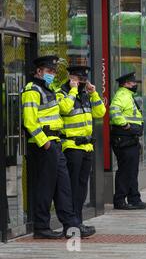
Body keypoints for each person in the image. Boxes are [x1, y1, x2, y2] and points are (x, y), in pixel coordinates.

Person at [22, 56, 93, 239]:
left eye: (53, 72)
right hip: (43, 145)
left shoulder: (49, 89)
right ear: (39, 71)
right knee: (46, 188)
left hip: (55, 143)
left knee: (64, 187)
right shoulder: (32, 90)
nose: (52, 75)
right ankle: (41, 227)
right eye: (49, 71)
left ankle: (71, 226)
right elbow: (29, 121)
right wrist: (44, 142)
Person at [56, 66, 105, 232]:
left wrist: (94, 93)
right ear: (70, 77)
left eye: (83, 79)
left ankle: (78, 221)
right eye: (78, 78)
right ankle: (71, 224)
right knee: (71, 187)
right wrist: (73, 91)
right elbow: (64, 109)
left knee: (82, 187)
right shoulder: (62, 92)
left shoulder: (85, 94)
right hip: (71, 146)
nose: (81, 82)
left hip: (87, 146)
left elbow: (100, 112)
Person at [110, 72, 146, 210]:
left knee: (132, 170)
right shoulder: (122, 95)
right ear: (125, 84)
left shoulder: (128, 96)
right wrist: (126, 125)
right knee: (125, 170)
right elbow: (114, 112)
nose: (135, 85)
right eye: (132, 82)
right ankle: (120, 200)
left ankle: (134, 198)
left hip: (130, 138)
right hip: (124, 137)